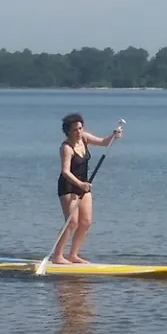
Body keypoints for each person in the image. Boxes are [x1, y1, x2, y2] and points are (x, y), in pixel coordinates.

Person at [51, 112, 121, 265]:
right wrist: (80, 184)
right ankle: (57, 256)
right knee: (72, 222)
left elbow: (103, 142)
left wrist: (113, 136)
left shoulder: (85, 138)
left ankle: (73, 255)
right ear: (68, 131)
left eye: (80, 128)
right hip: (68, 185)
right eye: (75, 130)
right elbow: (65, 172)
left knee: (86, 221)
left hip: (84, 184)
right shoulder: (66, 148)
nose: (78, 132)